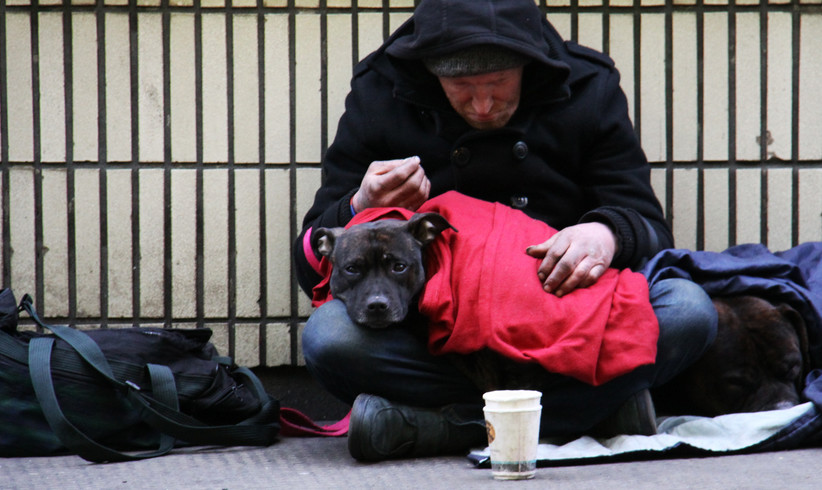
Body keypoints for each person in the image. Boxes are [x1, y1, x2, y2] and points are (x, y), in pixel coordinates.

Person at [294, 0, 717, 462]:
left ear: (527, 66)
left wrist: (604, 233)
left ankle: (435, 428)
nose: (482, 104)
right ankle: (587, 412)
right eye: (461, 87)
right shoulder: (383, 89)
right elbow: (313, 255)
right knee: (329, 337)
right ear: (431, 73)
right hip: (437, 334)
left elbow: (648, 224)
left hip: (562, 313)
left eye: (498, 83)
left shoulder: (587, 84)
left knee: (690, 310)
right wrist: (361, 204)